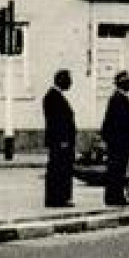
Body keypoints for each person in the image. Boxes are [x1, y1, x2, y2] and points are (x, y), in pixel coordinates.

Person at [101, 73, 129, 207]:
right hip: (119, 142)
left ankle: (116, 196)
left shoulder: (123, 98)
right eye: (127, 81)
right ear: (121, 83)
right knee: (116, 170)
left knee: (119, 170)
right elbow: (115, 122)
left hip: (122, 142)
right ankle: (114, 197)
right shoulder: (117, 99)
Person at [41, 70, 76, 208]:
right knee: (58, 170)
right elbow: (56, 121)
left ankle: (60, 197)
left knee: (61, 169)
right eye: (68, 79)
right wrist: (63, 140)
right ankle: (56, 198)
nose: (70, 83)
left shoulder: (56, 96)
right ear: (60, 80)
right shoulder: (52, 97)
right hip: (60, 141)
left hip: (61, 141)